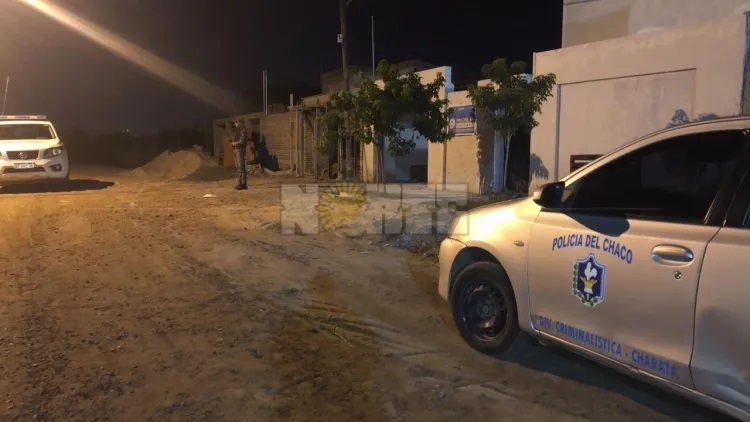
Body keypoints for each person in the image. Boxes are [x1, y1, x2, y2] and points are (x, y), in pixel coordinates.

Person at [231, 119, 248, 190]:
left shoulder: (243, 130)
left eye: (236, 123)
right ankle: (240, 183)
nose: (235, 124)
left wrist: (234, 144)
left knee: (241, 167)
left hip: (241, 150)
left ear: (240, 123)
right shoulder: (240, 131)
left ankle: (243, 184)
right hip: (238, 150)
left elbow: (242, 141)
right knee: (239, 167)